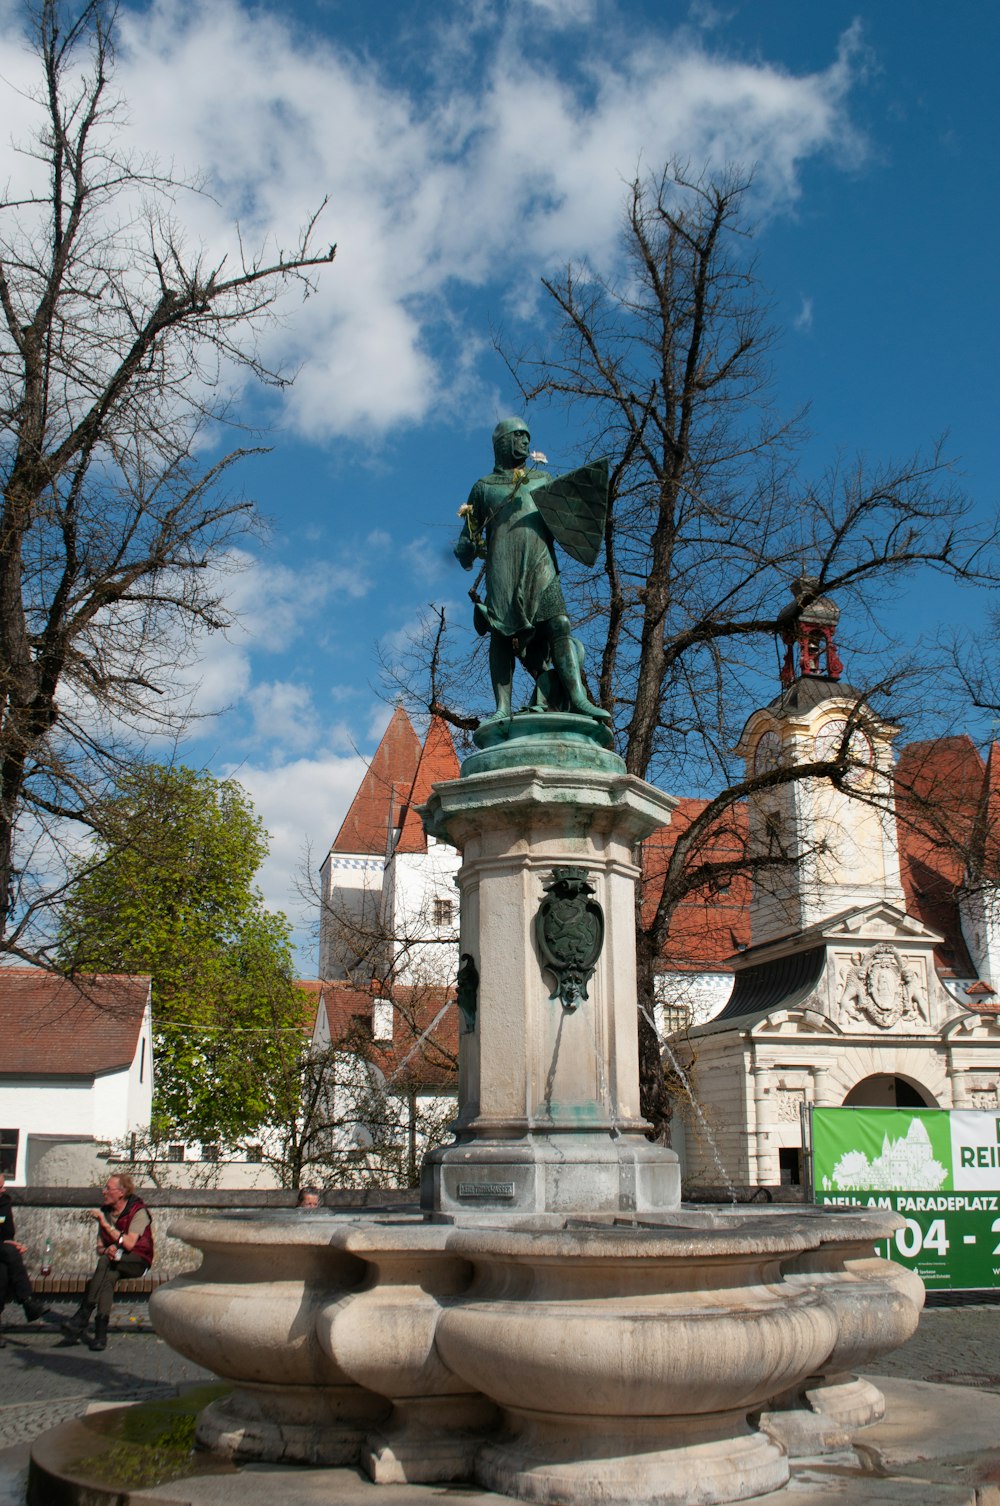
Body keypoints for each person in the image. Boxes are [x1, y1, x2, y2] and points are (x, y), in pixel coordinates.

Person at [454, 418, 610, 725]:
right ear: (502, 443)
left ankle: (578, 698)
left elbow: (568, 525)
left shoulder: (542, 480)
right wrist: (466, 548)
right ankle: (502, 708)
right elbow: (466, 540)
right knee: (500, 636)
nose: (526, 442)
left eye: (527, 437)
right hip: (503, 570)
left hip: (540, 564)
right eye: (519, 437)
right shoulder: (483, 488)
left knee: (560, 624)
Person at [60, 1173, 154, 1351]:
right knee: (108, 1277)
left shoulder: (138, 1211)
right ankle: (100, 1334)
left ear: (120, 1192)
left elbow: (129, 1243)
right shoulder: (106, 1212)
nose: (103, 1192)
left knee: (106, 1262)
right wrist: (108, 1249)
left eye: (107, 1188)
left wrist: (106, 1226)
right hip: (113, 1262)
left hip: (137, 1261)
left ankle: (83, 1314)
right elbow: (100, 1248)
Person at [0, 1169, 49, 1343]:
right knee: (9, 1252)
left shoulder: (3, 1203)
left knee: (3, 1271)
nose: (3, 1191)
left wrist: (11, 1243)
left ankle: (28, 1302)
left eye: (3, 1186)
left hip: (2, 1251)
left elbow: (8, 1233)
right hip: (4, 1250)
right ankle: (28, 1301)